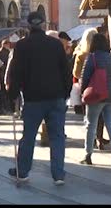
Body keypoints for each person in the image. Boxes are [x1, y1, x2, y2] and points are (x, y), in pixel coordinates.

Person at [7, 11, 72, 186]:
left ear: (29, 26)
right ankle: (58, 174)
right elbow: (66, 71)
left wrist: (12, 95)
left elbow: (17, 73)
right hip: (56, 96)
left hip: (33, 98)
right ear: (44, 25)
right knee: (57, 136)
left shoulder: (22, 46)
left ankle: (23, 171)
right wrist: (66, 92)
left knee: (28, 135)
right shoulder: (56, 45)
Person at [80, 33, 111, 166]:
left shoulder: (92, 58)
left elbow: (85, 77)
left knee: (91, 125)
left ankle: (88, 155)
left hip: (96, 95)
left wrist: (83, 92)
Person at [72, 28, 98, 115]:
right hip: (101, 86)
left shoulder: (81, 55)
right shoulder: (102, 53)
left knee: (89, 117)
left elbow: (76, 73)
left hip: (86, 88)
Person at [0, 39, 12, 114]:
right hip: (3, 74)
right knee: (4, 93)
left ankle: (4, 108)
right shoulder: (4, 53)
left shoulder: (3, 52)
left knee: (3, 93)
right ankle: (5, 108)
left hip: (2, 74)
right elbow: (3, 64)